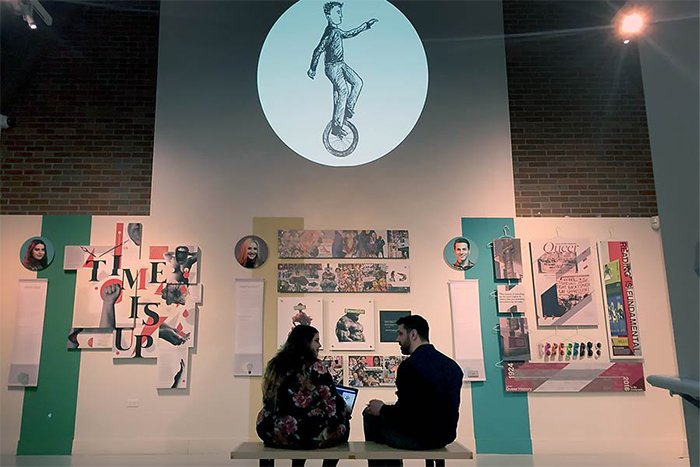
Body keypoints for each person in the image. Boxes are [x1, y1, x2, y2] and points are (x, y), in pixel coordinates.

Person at [363, 315, 463, 466]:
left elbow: (406, 414)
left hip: (418, 438)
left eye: (400, 334)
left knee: (369, 413)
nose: (397, 339)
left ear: (414, 334)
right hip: (445, 436)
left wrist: (381, 409)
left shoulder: (409, 366)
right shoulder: (452, 366)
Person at [257, 325, 350, 467]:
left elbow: (268, 399)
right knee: (342, 423)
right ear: (306, 342)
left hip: (271, 432)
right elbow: (331, 403)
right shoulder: (315, 366)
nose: (320, 345)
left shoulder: (275, 365)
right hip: (304, 435)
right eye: (316, 340)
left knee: (301, 418)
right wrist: (343, 413)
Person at [308, 2, 378, 137]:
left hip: (341, 64)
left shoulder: (337, 31)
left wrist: (365, 26)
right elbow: (317, 50)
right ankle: (336, 127)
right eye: (337, 13)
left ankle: (348, 109)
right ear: (329, 16)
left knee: (358, 82)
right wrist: (313, 69)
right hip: (332, 67)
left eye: (341, 12)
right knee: (343, 90)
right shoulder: (329, 32)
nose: (341, 15)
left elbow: (349, 34)